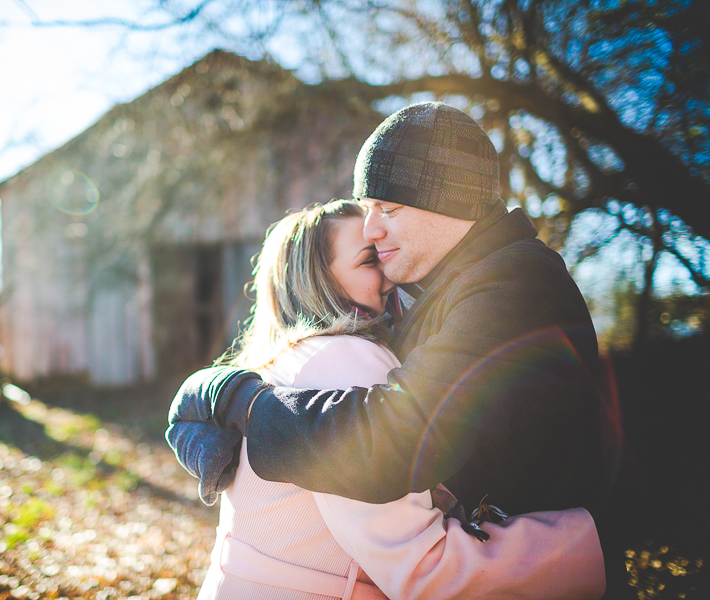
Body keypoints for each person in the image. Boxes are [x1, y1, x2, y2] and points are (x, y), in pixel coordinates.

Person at [168, 102, 619, 589]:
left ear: (449, 201)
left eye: (389, 207)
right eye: (367, 210)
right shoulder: (450, 291)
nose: (372, 228)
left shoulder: (515, 286)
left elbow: (392, 441)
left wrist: (243, 401)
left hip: (536, 576)